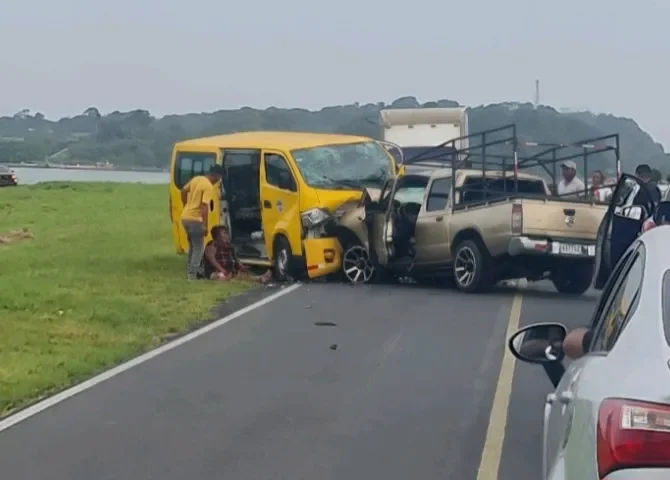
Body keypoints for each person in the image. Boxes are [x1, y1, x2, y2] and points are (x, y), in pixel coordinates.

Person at [180, 165, 225, 280]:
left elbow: (183, 191)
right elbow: (204, 207)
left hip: (185, 217)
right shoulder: (208, 186)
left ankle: (190, 271)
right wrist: (205, 225)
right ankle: (192, 275)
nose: (218, 181)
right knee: (199, 248)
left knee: (192, 246)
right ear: (216, 175)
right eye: (219, 178)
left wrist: (186, 205)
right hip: (195, 220)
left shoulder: (197, 179)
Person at [204, 226, 272, 283]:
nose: (227, 236)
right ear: (217, 236)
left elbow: (235, 259)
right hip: (216, 272)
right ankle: (228, 280)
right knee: (220, 276)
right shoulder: (211, 246)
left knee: (241, 276)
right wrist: (224, 271)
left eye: (227, 233)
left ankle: (260, 278)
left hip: (229, 271)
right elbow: (213, 261)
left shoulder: (229, 246)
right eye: (224, 233)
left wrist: (242, 267)